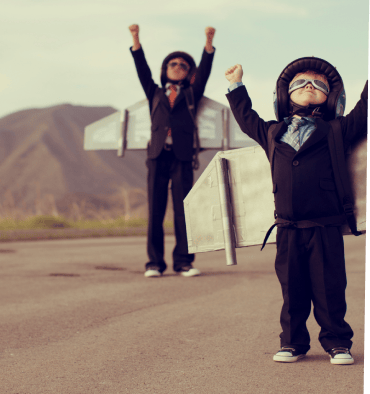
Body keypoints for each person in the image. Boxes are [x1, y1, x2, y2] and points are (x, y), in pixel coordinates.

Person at [224, 57, 368, 365]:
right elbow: (246, 118)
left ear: (331, 97)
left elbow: (364, 113)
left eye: (318, 84)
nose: (309, 86)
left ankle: (337, 342)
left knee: (330, 288)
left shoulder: (336, 130)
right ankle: (293, 342)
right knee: (293, 290)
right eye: (300, 82)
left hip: (325, 226)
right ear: (284, 95)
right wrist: (236, 85)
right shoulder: (272, 132)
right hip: (287, 227)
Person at [129, 24, 216, 277]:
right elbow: (141, 70)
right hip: (157, 155)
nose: (177, 66)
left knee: (183, 210)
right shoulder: (154, 92)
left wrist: (208, 43)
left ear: (189, 73)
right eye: (172, 64)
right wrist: (136, 39)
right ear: (165, 71)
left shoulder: (191, 93)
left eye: (183, 65)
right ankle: (154, 263)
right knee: (155, 210)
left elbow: (205, 73)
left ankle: (183, 262)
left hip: (182, 156)